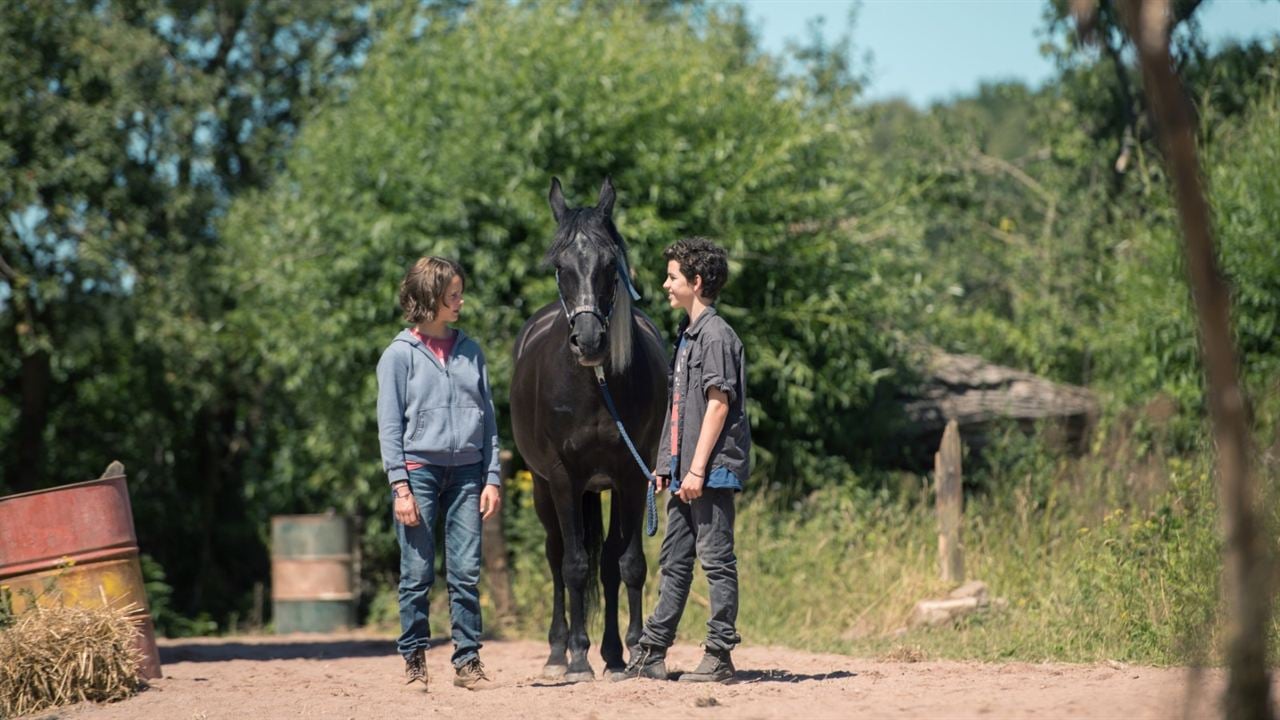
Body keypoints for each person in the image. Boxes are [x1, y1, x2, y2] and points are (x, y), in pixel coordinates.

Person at [623, 236, 751, 683]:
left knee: (716, 560)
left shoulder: (715, 336)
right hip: (684, 471)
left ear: (696, 282)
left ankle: (719, 656)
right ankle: (652, 652)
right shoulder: (687, 336)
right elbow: (679, 408)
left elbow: (717, 405)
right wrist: (665, 465)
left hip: (710, 471)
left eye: (673, 276)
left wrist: (697, 469)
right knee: (674, 560)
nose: (665, 284)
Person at [376, 256, 502, 690]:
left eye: (459, 293)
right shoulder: (397, 356)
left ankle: (468, 663)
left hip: (468, 472)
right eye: (452, 295)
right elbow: (390, 427)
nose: (460, 301)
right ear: (430, 297)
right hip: (420, 473)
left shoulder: (471, 350)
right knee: (416, 574)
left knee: (466, 572)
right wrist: (400, 486)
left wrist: (492, 476)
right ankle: (414, 658)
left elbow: (489, 419)